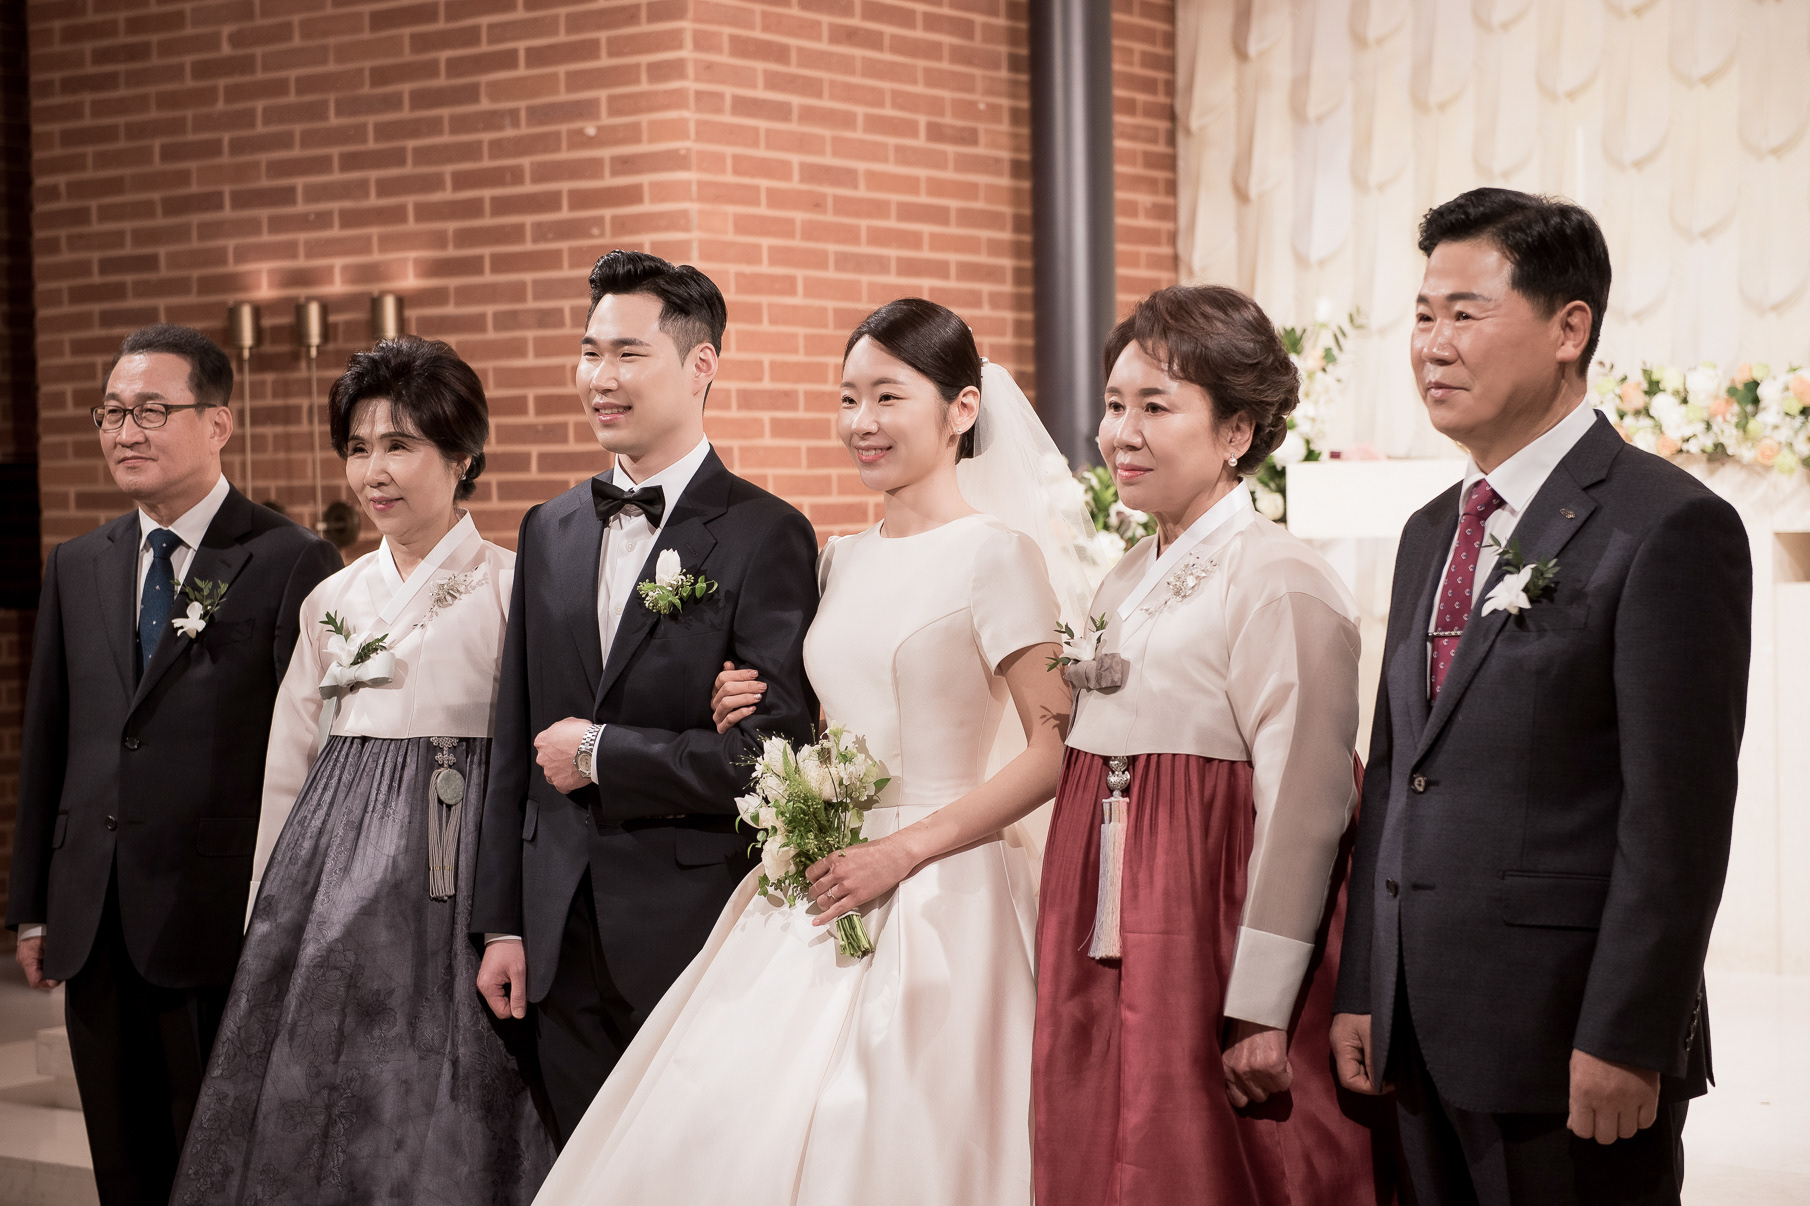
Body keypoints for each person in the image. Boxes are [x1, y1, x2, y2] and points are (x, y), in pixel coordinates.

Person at [530, 298, 1092, 1205]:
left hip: (946, 887)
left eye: (888, 397)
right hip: (824, 869)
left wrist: (903, 850)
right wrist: (735, 706)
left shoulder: (998, 556)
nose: (861, 422)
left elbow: (1057, 747)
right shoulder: (839, 557)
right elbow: (821, 719)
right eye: (848, 398)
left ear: (961, 409)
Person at [1330, 189, 1751, 1206]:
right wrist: (1365, 984)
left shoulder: (1665, 526)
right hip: (1416, 1026)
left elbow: (1677, 821)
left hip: (1566, 1042)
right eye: (1422, 315)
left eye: (1465, 313)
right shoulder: (1431, 529)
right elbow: (1396, 774)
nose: (1432, 345)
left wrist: (1628, 1035)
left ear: (1569, 329)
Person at [168, 336, 555, 1203]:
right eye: (358, 447)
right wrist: (267, 907)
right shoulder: (332, 599)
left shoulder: (514, 589)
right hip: (333, 882)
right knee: (331, 1099)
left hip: (459, 869)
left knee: (452, 1094)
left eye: (400, 445)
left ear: (463, 457)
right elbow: (290, 763)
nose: (374, 472)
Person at [1033, 285, 1389, 1205]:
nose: (1121, 434)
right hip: (1114, 919)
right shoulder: (1123, 578)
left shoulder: (1280, 576)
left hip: (1208, 921)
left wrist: (1261, 1002)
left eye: (1156, 407)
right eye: (1115, 405)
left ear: (1236, 431)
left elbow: (1307, 803)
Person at [468, 250, 822, 1146]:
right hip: (555, 928)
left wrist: (601, 752)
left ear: (701, 365)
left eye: (628, 354)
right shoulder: (548, 527)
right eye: (590, 353)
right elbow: (516, 737)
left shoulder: (765, 533)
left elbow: (770, 761)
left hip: (691, 926)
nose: (601, 378)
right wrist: (502, 924)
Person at [5, 324, 341, 1206]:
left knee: (217, 1164)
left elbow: (315, 753)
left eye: (152, 411)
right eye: (112, 413)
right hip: (93, 914)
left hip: (217, 914)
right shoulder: (78, 564)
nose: (126, 432)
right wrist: (34, 906)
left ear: (218, 423)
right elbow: (52, 739)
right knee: (122, 1165)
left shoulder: (289, 558)